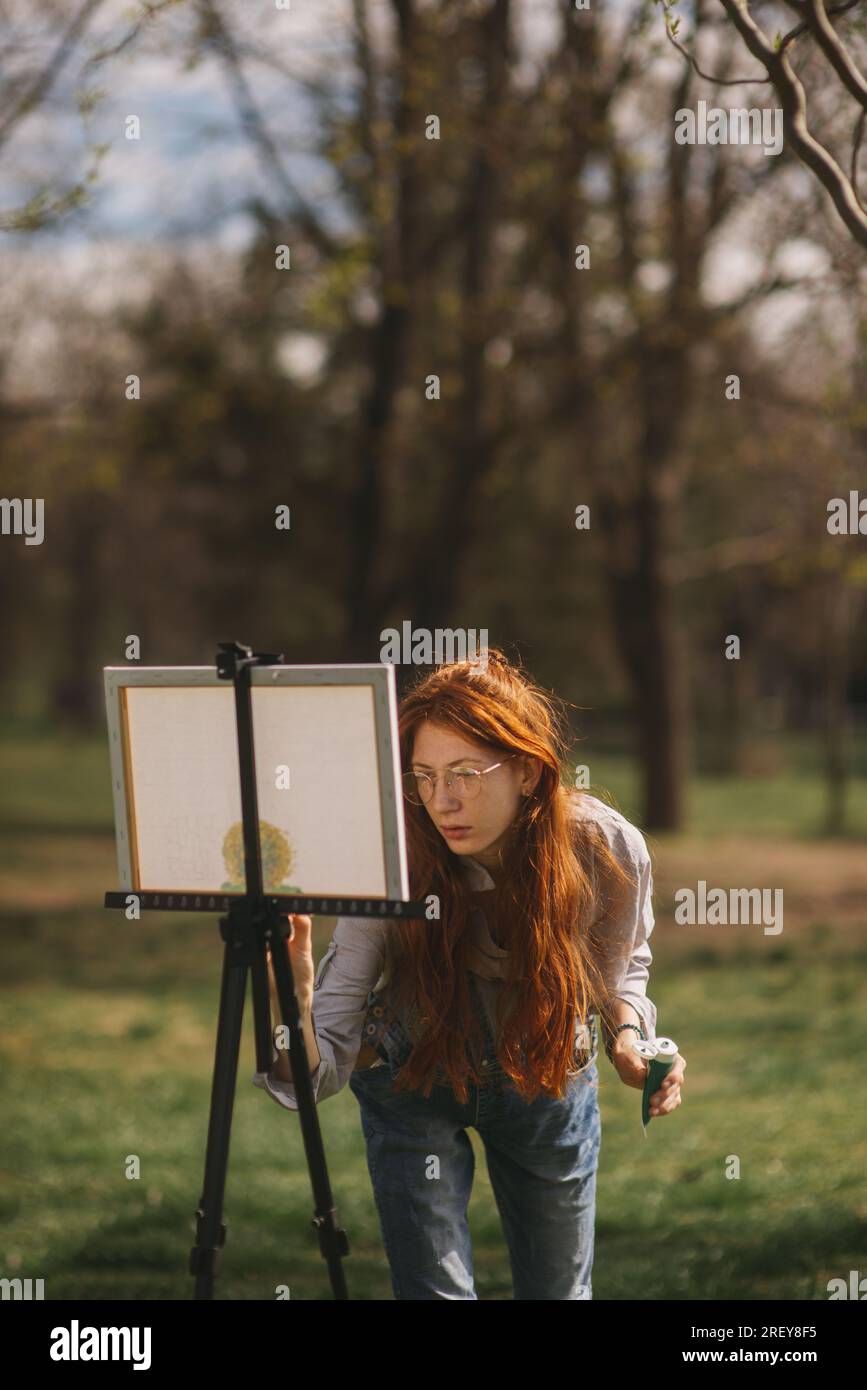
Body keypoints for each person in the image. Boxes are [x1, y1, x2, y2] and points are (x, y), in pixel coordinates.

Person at [254, 647, 686, 1300]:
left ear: (527, 771)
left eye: (463, 773)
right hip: (412, 1073)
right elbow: (314, 1075)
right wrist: (295, 992)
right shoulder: (391, 854)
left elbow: (618, 973)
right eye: (423, 777)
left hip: (544, 1071)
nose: (441, 801)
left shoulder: (604, 847)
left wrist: (630, 1041)